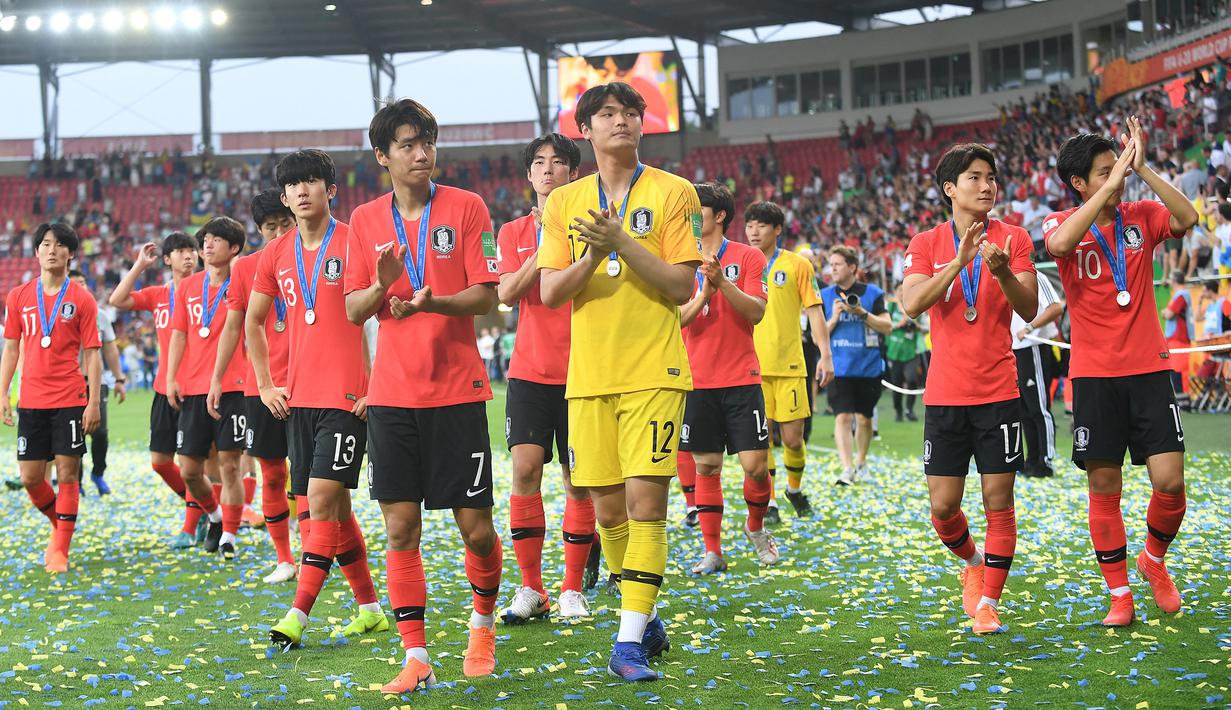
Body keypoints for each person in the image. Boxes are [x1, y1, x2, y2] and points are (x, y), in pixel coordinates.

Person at [538, 81, 701, 682]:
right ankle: (647, 616)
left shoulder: (674, 191)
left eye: (631, 112)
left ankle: (627, 643)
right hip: (589, 376)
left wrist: (621, 242)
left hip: (655, 370)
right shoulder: (564, 202)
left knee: (646, 504)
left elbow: (682, 286)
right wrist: (592, 253)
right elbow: (550, 292)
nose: (622, 120)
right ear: (585, 129)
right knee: (608, 513)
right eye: (607, 113)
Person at [344, 99, 502, 693]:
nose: (421, 153)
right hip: (391, 396)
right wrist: (383, 285)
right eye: (407, 144)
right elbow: (353, 308)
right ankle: (416, 656)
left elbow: (488, 294)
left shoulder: (467, 206)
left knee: (476, 529)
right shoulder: (364, 219)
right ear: (383, 156)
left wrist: (435, 302)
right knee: (400, 528)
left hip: (457, 391)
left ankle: (482, 625)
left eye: (427, 142)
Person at [1045, 117, 1198, 626]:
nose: (1119, 177)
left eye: (1120, 166)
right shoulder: (1059, 222)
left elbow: (1188, 216)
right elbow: (1060, 247)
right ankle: (1120, 594)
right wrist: (1109, 187)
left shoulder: (1142, 216)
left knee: (1170, 483)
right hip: (1094, 377)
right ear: (1079, 182)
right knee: (1104, 488)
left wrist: (1144, 168)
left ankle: (1153, 560)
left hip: (1149, 370)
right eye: (1106, 171)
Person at [246, 149, 388, 648]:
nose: (302, 191)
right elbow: (253, 321)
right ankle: (370, 609)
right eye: (293, 185)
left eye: (311, 182)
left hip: (348, 398)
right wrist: (266, 384)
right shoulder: (275, 254)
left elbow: (381, 315)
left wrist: (376, 384)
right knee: (337, 508)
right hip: (299, 399)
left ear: (331, 190)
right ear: (285, 197)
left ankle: (297, 615)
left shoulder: (356, 240)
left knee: (322, 502)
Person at [902, 143, 1038, 635]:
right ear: (950, 188)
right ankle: (974, 563)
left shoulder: (1015, 238)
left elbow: (1028, 308)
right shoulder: (926, 243)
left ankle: (988, 604)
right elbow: (912, 304)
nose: (986, 186)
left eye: (991, 177)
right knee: (943, 508)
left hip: (999, 391)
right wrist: (959, 262)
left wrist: (1000, 271)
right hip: (945, 394)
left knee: (999, 502)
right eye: (975, 177)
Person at [496, 132, 597, 622]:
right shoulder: (512, 232)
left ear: (573, 173)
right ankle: (532, 589)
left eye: (558, 162)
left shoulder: (593, 227)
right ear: (529, 174)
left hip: (585, 370)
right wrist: (543, 247)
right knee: (524, 472)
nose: (548, 170)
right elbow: (506, 294)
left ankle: (573, 588)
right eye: (539, 162)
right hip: (530, 372)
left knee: (579, 481)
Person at [677, 181, 777, 573]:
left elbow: (756, 311)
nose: (690, 217)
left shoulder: (748, 256)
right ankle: (713, 551)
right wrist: (704, 295)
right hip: (696, 379)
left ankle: (755, 527)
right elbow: (674, 321)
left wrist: (722, 283)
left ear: (719, 215)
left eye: (697, 209)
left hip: (741, 377)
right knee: (706, 467)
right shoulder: (677, 259)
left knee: (755, 466)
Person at [207, 189, 298, 583]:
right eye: (270, 227)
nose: (278, 233)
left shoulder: (311, 259)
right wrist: (216, 378)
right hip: (261, 388)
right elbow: (232, 328)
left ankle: (316, 554)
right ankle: (284, 559)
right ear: (259, 231)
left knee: (312, 480)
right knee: (272, 474)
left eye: (285, 224)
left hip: (310, 382)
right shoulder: (245, 269)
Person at [0, 222, 102, 573]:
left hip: (69, 397)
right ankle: (61, 525)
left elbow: (93, 354)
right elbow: (11, 349)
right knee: (31, 477)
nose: (52, 250)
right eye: (45, 244)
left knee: (68, 474)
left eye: (59, 245)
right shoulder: (18, 296)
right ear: (36, 251)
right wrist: (3, 392)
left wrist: (92, 402)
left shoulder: (82, 299)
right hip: (31, 399)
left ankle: (60, 550)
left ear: (70, 254)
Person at [110, 233, 203, 545]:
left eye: (192, 250)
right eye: (180, 251)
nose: (188, 256)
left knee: (194, 465)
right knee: (160, 462)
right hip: (164, 388)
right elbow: (117, 300)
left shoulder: (207, 290)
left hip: (196, 388)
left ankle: (190, 527)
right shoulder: (158, 295)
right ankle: (205, 505)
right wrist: (139, 265)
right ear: (167, 259)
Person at [165, 216, 249, 560]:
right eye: (205, 240)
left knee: (230, 466)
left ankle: (229, 535)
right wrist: (171, 376)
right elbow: (179, 334)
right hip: (194, 387)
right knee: (189, 469)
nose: (207, 245)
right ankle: (214, 516)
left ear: (234, 248)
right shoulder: (187, 287)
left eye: (216, 239)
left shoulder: (243, 284)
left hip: (234, 387)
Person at [747, 201, 833, 522]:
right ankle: (769, 503)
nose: (754, 232)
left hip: (791, 366)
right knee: (763, 439)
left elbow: (815, 311)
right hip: (753, 367)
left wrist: (825, 355)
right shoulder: (742, 263)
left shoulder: (798, 265)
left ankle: (793, 490)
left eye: (761, 225)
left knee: (793, 440)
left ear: (778, 229)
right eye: (750, 225)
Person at [822, 246, 891, 485]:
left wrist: (861, 312)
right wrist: (834, 318)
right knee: (842, 417)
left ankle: (861, 462)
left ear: (852, 267)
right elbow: (817, 335)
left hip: (867, 366)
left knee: (864, 418)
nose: (832, 269)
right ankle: (847, 468)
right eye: (831, 265)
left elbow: (887, 327)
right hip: (838, 367)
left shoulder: (873, 293)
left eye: (837, 264)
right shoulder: (825, 295)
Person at [71, 270, 127, 496]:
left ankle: (98, 473)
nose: (80, 287)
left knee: (100, 432)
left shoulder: (99, 315)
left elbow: (110, 349)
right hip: (69, 384)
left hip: (97, 382)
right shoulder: (60, 314)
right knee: (74, 435)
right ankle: (76, 482)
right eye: (75, 284)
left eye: (83, 283)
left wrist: (119, 379)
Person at [1011, 274, 1065, 477]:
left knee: (1039, 408)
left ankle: (1045, 460)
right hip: (1013, 350)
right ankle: (1031, 459)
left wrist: (1029, 327)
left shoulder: (1035, 276)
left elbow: (1056, 307)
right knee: (1024, 410)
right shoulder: (1002, 275)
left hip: (1032, 347)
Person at [885, 283, 923, 422]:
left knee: (912, 379)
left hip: (911, 351)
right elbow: (884, 326)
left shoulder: (915, 306)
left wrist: (916, 326)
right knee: (897, 383)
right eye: (900, 290)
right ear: (895, 292)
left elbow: (925, 328)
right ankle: (898, 411)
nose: (902, 293)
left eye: (904, 290)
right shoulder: (891, 307)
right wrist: (898, 325)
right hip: (894, 351)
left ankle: (909, 410)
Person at [1161, 270, 1195, 408]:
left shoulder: (1181, 295)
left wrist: (1165, 313)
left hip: (1179, 337)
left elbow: (1169, 314)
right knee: (1176, 370)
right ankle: (1181, 401)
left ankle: (1183, 402)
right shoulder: (1179, 295)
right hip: (1175, 337)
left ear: (1174, 280)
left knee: (1179, 370)